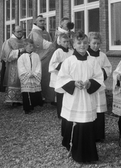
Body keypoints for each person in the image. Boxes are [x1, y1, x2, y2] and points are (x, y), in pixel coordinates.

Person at [55, 31, 104, 163]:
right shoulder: (68, 61)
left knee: (87, 124)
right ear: (74, 45)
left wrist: (90, 83)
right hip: (74, 98)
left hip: (87, 98)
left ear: (88, 44)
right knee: (74, 123)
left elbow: (99, 77)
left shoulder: (93, 61)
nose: (82, 45)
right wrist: (73, 83)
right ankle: (73, 149)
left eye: (85, 43)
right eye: (79, 43)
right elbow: (61, 79)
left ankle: (88, 154)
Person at [87, 32, 112, 142]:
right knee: (89, 109)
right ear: (89, 43)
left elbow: (108, 68)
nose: (96, 46)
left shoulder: (103, 55)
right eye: (94, 43)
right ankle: (89, 134)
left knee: (99, 111)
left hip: (99, 87)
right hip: (89, 86)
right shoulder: (85, 54)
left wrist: (101, 72)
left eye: (98, 43)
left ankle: (99, 134)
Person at [28, 15, 56, 103]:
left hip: (47, 57)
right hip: (39, 57)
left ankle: (47, 96)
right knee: (41, 77)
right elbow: (44, 44)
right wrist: (54, 44)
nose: (43, 22)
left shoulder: (45, 32)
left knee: (47, 77)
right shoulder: (34, 32)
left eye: (44, 20)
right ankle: (40, 98)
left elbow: (51, 44)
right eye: (40, 21)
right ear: (35, 22)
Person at [49, 33, 73, 118]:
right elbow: (52, 64)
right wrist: (63, 65)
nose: (66, 43)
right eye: (64, 41)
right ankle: (60, 114)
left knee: (68, 95)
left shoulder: (71, 52)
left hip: (69, 76)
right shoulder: (57, 52)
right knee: (60, 96)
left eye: (67, 41)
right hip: (59, 76)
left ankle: (67, 112)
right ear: (60, 42)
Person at [17, 39, 43, 114]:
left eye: (32, 45)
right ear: (25, 46)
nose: (32, 47)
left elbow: (38, 66)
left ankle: (32, 106)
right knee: (26, 93)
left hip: (34, 76)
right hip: (26, 78)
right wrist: (28, 74)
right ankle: (26, 108)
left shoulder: (36, 56)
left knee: (33, 92)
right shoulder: (21, 57)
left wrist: (35, 73)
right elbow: (21, 67)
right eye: (30, 46)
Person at [1, 26, 25, 105]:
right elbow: (8, 55)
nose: (20, 33)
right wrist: (20, 51)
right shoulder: (8, 42)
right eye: (18, 31)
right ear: (13, 32)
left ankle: (22, 99)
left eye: (21, 31)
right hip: (13, 65)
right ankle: (13, 100)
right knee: (14, 81)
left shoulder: (24, 41)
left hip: (24, 65)